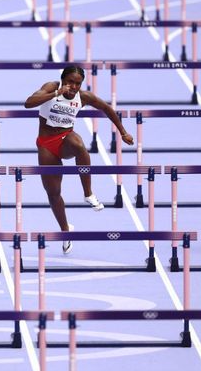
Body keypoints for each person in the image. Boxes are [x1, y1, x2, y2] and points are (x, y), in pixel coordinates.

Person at [24, 65, 133, 254]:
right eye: (70, 82)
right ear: (62, 79)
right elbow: (29, 103)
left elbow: (107, 108)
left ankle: (88, 193)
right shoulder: (51, 87)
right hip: (46, 144)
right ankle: (65, 229)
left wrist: (123, 132)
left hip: (66, 139)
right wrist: (56, 93)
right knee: (53, 193)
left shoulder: (83, 96)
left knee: (79, 144)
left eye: (77, 83)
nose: (73, 86)